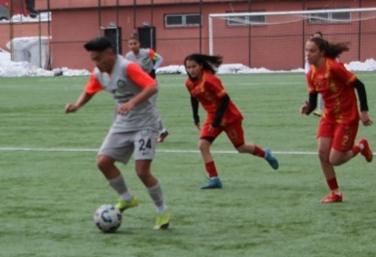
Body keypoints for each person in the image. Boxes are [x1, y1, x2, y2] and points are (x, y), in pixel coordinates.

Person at [64, 36, 171, 230]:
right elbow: (89, 91)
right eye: (93, 60)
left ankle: (162, 211)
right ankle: (127, 198)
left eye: (98, 59)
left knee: (142, 171)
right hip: (122, 124)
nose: (96, 63)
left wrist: (131, 103)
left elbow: (152, 86)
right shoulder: (99, 73)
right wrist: (77, 105)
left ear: (110, 54)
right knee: (103, 162)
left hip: (145, 123)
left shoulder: (127, 67)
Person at [184, 53, 279, 188]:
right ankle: (214, 179)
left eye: (194, 66)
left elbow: (225, 100)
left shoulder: (210, 79)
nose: (191, 70)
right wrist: (196, 116)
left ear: (200, 66)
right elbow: (193, 97)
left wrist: (216, 121)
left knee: (240, 147)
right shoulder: (188, 83)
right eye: (188, 67)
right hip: (213, 117)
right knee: (202, 145)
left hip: (229, 117)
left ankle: (266, 154)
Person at [300, 34, 373, 203]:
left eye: (312, 51)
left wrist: (364, 111)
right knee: (322, 154)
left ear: (321, 53)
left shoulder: (334, 68)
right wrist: (307, 109)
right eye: (306, 50)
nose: (307, 54)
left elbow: (359, 86)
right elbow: (312, 100)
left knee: (335, 159)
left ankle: (361, 146)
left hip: (347, 117)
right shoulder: (310, 74)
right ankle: (335, 193)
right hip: (329, 117)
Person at [123, 36, 170, 143]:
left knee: (149, 108)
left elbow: (160, 59)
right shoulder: (128, 56)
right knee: (143, 109)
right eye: (130, 44)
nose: (133, 46)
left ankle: (157, 131)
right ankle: (161, 130)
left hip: (151, 85)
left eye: (135, 43)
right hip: (140, 87)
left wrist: (153, 69)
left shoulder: (148, 52)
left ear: (139, 44)